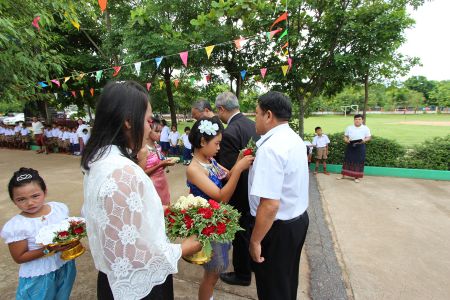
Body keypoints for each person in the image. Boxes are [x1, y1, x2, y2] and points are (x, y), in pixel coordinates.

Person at [81, 81, 201, 300]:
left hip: (112, 278)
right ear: (128, 121)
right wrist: (183, 249)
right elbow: (130, 254)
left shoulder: (100, 159)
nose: (150, 128)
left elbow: (118, 221)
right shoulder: (123, 171)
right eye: (148, 120)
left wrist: (157, 209)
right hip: (139, 286)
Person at [248, 91, 309, 300]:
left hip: (277, 228)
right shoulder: (294, 138)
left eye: (256, 113)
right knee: (286, 279)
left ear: (268, 115)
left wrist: (255, 241)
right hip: (297, 221)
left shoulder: (271, 147)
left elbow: (270, 204)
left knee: (272, 286)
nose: (254, 118)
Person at [186, 117, 254, 300]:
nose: (218, 148)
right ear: (202, 141)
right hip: (209, 226)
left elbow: (227, 176)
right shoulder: (194, 169)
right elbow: (222, 195)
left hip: (217, 223)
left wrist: (238, 160)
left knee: (215, 272)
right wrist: (239, 169)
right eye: (216, 144)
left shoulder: (210, 161)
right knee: (212, 274)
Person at [0, 167, 77, 299]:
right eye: (21, 199)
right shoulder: (17, 226)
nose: (30, 203)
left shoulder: (59, 209)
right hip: (38, 275)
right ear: (13, 200)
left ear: (45, 191)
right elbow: (19, 257)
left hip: (64, 265)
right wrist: (50, 249)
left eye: (35, 196)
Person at [215, 91, 259, 287]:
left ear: (222, 109)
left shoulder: (229, 132)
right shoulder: (253, 125)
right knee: (250, 229)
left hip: (239, 190)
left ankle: (242, 274)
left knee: (240, 233)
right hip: (255, 187)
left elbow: (228, 171)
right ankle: (250, 265)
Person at [137, 117, 175, 207]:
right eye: (157, 132)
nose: (160, 134)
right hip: (152, 185)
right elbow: (140, 174)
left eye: (161, 132)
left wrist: (165, 163)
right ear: (148, 130)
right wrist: (161, 164)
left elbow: (161, 167)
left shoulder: (157, 146)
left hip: (162, 182)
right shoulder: (143, 150)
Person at [338, 114, 372, 183]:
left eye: (359, 119)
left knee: (358, 161)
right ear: (354, 120)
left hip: (360, 146)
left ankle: (356, 177)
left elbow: (368, 137)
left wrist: (364, 140)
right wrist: (346, 140)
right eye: (356, 119)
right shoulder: (349, 127)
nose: (357, 121)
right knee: (347, 160)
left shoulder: (365, 128)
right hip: (350, 145)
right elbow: (345, 136)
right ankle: (343, 175)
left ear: (362, 120)